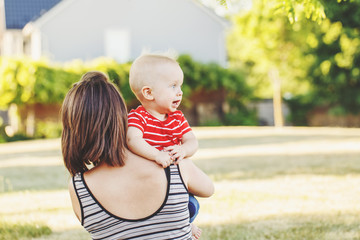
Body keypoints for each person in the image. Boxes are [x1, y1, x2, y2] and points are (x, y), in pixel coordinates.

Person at [61, 71, 214, 240]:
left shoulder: (78, 189)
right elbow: (208, 189)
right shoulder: (172, 164)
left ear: (71, 132)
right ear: (122, 116)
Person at [126, 53, 201, 238]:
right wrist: (156, 155)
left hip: (176, 183)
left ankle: (185, 221)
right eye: (173, 86)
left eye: (180, 86)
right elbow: (132, 140)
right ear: (148, 93)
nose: (180, 92)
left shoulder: (177, 118)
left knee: (192, 204)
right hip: (148, 180)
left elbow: (192, 141)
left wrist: (183, 150)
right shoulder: (138, 117)